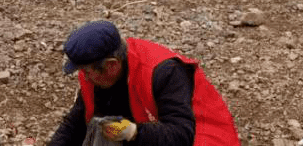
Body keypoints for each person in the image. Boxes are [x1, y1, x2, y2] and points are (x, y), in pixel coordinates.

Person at [49, 20, 241, 146]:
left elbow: (181, 135)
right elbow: (77, 122)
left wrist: (131, 131)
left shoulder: (163, 72)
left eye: (86, 71)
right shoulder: (95, 72)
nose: (85, 77)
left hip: (202, 136)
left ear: (111, 65)